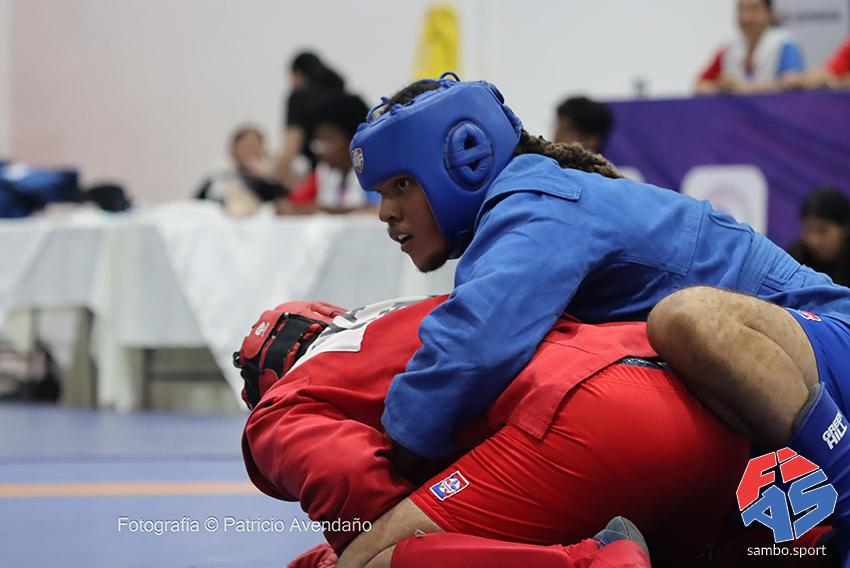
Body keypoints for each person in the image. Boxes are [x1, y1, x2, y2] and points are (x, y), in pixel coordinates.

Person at [348, 72, 850, 564]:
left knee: (685, 319)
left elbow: (468, 350)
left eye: (401, 185)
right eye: (380, 192)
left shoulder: (535, 208)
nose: (385, 211)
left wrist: (386, 460)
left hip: (824, 346)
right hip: (764, 413)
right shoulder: (531, 206)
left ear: (467, 157)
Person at [237, 296, 748, 567]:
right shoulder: (401, 313)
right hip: (700, 402)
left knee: (372, 562)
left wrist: (350, 551)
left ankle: (592, 563)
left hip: (587, 417)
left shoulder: (284, 402)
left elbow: (349, 480)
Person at [282, 93, 377, 214]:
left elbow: (376, 210)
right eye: (318, 140)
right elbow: (290, 204)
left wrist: (325, 210)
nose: (320, 148)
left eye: (328, 139)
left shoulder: (373, 173)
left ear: (353, 139)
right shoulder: (322, 172)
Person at [267, 51, 346, 190]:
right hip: (352, 177)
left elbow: (290, 149)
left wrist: (273, 173)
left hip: (319, 181)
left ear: (297, 74)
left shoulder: (299, 98)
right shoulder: (344, 95)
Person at [696, 0, 805, 94]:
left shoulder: (784, 45)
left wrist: (741, 88)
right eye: (741, 9)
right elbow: (700, 85)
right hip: (737, 111)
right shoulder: (729, 48)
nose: (746, 16)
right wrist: (719, 88)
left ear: (769, 14)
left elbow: (792, 84)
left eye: (754, 9)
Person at [196, 126, 285, 216]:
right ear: (234, 150)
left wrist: (271, 176)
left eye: (254, 145)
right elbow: (196, 204)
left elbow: (282, 204)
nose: (250, 151)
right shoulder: (218, 178)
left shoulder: (271, 182)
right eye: (245, 146)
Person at [788, 187, 850, 287]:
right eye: (808, 229)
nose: (814, 241)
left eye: (822, 230)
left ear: (844, 228)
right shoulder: (796, 258)